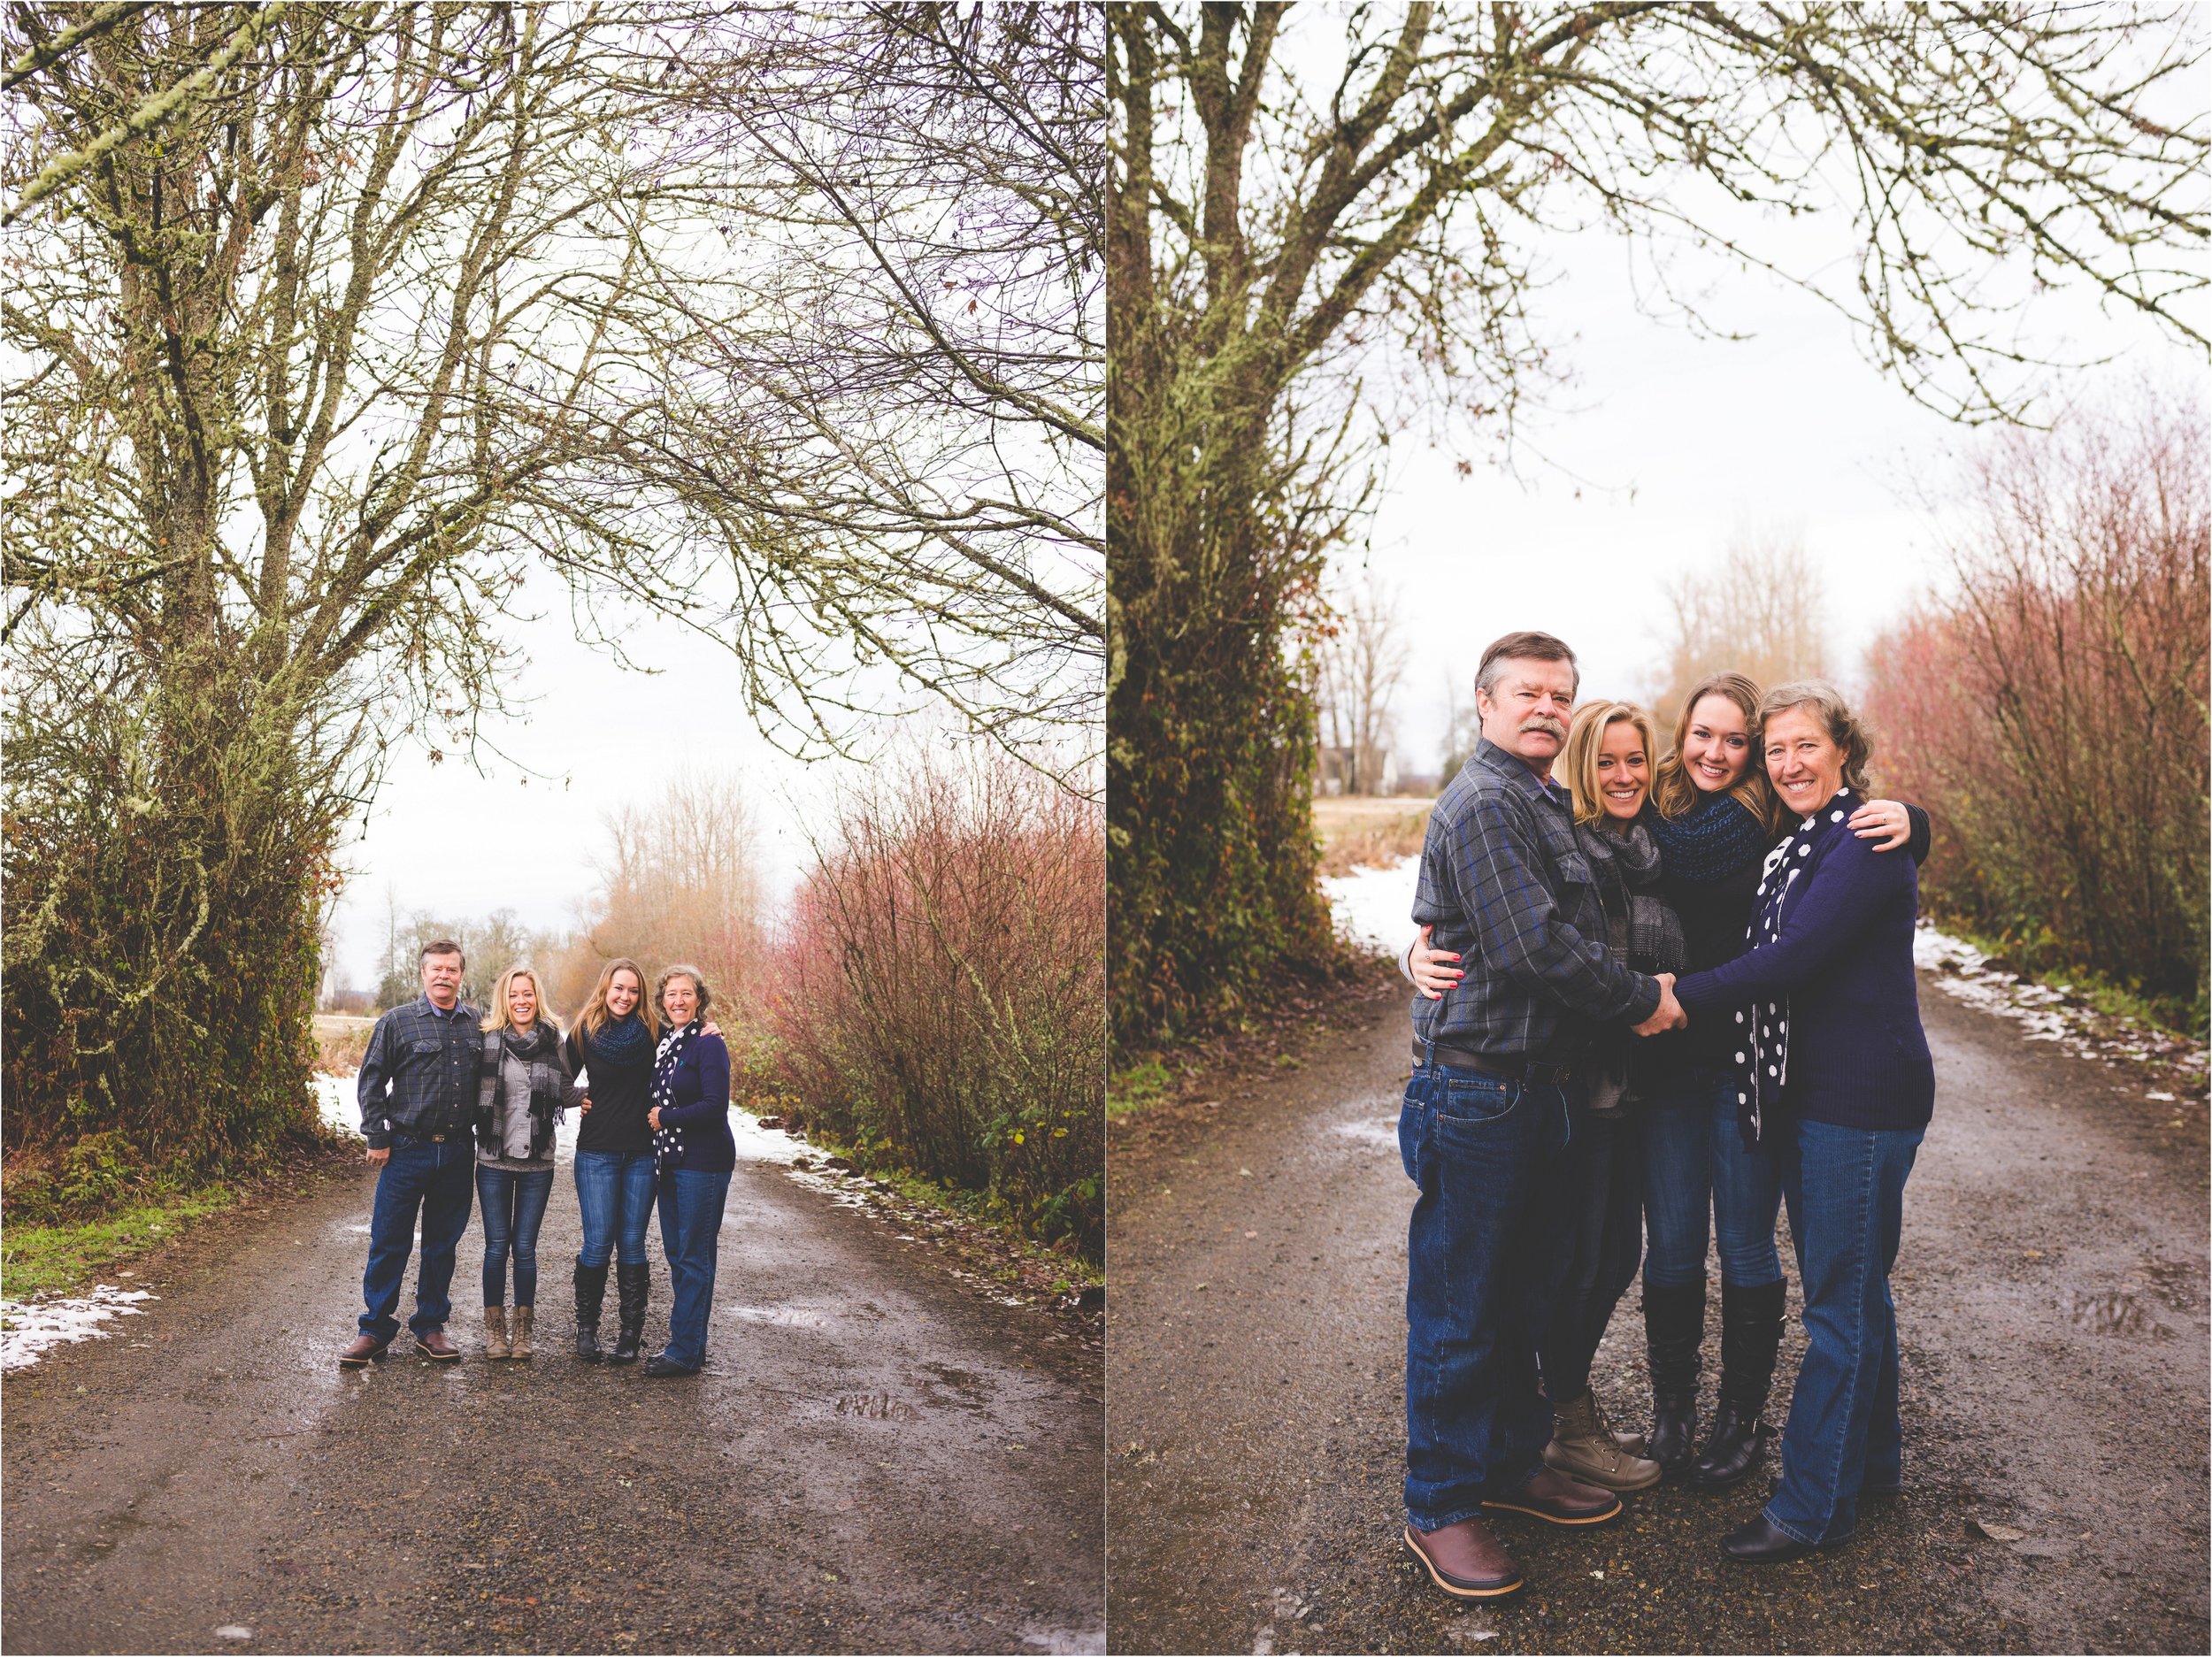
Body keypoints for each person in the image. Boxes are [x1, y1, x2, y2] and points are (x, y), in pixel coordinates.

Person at [1409, 671, 1928, 1487]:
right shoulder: (1640, 814)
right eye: (1702, 735)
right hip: (1661, 1070)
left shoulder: (1768, 816)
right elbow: (1519, 898)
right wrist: (1425, 947)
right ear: (1678, 741)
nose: (1717, 751)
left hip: (1747, 1065)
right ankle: (1675, 1413)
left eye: (1736, 739)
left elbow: (1845, 835)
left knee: (1748, 1245)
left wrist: (1913, 820)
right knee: (1672, 1245)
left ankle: (1739, 1420)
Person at [1397, 631, 1685, 1604]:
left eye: (1561, 696)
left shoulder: (1543, 804)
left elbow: (1576, 918)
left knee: (1522, 1296)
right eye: (1527, 693)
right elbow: (1533, 948)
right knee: (1460, 1303)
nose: (1547, 710)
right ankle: (1438, 1501)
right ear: (1483, 702)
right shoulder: (1482, 804)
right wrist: (1642, 995)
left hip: (1543, 1090)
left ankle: (1511, 1463)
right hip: (1479, 1090)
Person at [1671, 681, 1935, 1562]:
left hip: (1858, 1102)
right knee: (1859, 1291)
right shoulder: (1801, 839)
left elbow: (1794, 958)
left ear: (1842, 751)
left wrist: (1678, 997)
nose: (1786, 763)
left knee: (1838, 1310)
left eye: (1803, 746)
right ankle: (1876, 1465)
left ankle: (1810, 1506)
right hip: (1821, 1098)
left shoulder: (1858, 839)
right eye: (1773, 749)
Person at [1523, 702, 1676, 1494]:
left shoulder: (1656, 845)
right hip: (1578, 1084)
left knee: (1617, 1253)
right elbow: (1529, 939)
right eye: (1607, 761)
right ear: (1583, 767)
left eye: (1636, 760)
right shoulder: (1562, 845)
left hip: (1642, 1088)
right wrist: (1423, 945)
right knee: (1578, 1256)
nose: (1623, 776)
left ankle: (1564, 1410)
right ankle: (1566, 1424)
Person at [340, 940, 482, 1368]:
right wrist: (375, 1135)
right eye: (436, 969)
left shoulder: (476, 1024)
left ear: (461, 974)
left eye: (452, 969)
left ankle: (431, 1326)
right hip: (406, 1150)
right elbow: (370, 1080)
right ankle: (374, 1329)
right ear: (422, 973)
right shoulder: (398, 1022)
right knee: (389, 1241)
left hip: (457, 1151)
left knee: (442, 1244)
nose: (444, 976)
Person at [472, 965, 580, 1361]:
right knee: (496, 1247)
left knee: (526, 1248)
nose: (521, 1001)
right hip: (493, 1158)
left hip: (538, 1160)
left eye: (528, 994)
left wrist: (601, 1094)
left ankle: (523, 1332)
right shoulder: (486, 1039)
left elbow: (567, 1088)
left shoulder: (554, 1041)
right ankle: (495, 1331)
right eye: (514, 994)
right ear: (505, 999)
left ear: (538, 998)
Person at [565, 959, 660, 1364]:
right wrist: (578, 1097)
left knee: (633, 1245)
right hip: (597, 1152)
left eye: (633, 990)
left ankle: (629, 1334)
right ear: (605, 989)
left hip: (642, 1152)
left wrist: (710, 1030)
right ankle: (587, 1330)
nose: (625, 996)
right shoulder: (584, 1032)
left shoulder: (656, 1032)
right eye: (618, 988)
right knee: (599, 1243)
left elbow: (689, 1044)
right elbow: (557, 1078)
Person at [641, 964, 734, 1378]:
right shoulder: (668, 1042)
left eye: (686, 993)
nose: (678, 1001)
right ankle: (691, 1348)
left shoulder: (708, 1044)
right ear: (662, 1001)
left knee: (694, 1258)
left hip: (703, 1163)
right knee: (680, 1257)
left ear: (700, 999)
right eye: (671, 994)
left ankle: (682, 1350)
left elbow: (716, 1106)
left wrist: (666, 1117)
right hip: (671, 1164)